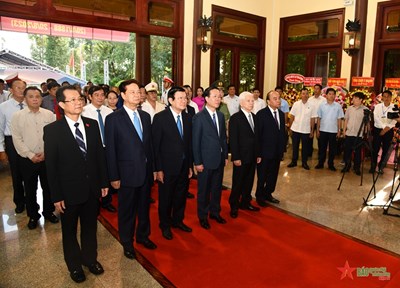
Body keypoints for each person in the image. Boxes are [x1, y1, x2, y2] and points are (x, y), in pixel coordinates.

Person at [44, 85, 109, 283]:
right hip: (68, 191)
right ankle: (74, 266)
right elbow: (51, 167)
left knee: (90, 228)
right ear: (62, 104)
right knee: (69, 231)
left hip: (91, 189)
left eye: (79, 98)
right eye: (72, 100)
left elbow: (99, 157)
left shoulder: (92, 124)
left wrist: (103, 182)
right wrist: (56, 196)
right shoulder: (53, 130)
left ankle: (90, 259)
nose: (78, 102)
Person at [105, 79, 157, 260]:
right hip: (126, 174)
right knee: (127, 211)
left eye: (139, 91)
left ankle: (143, 236)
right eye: (133, 92)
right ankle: (127, 242)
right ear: (123, 95)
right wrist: (113, 176)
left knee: (144, 208)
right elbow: (110, 150)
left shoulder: (145, 116)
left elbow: (149, 147)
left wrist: (154, 169)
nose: (138, 95)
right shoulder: (113, 119)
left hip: (145, 172)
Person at [10, 87, 58, 229]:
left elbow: (53, 137)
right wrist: (30, 155)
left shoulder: (49, 115)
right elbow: (17, 139)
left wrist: (46, 153)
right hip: (27, 159)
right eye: (31, 96)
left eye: (37, 96)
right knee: (30, 189)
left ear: (41, 98)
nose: (35, 99)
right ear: (25, 99)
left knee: (48, 187)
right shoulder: (17, 116)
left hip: (46, 157)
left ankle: (49, 212)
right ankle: (33, 216)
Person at [152, 86, 193, 240]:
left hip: (183, 166)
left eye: (185, 98)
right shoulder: (160, 118)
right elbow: (155, 147)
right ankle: (165, 225)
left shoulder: (188, 118)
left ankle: (178, 221)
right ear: (170, 100)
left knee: (181, 196)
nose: (184, 101)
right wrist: (158, 169)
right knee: (166, 198)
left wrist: (189, 165)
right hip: (167, 167)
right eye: (180, 98)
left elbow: (188, 145)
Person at [192, 86, 228, 229]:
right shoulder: (199, 117)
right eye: (215, 96)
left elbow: (223, 138)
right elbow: (195, 142)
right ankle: (203, 216)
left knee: (216, 188)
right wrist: (198, 162)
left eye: (219, 96)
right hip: (205, 161)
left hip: (219, 160)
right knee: (204, 190)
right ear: (206, 99)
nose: (218, 99)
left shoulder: (220, 116)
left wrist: (225, 155)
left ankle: (215, 212)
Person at [82, 85, 116, 213]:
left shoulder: (108, 112)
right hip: (92, 149)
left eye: (102, 95)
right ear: (89, 97)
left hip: (107, 148)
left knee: (106, 174)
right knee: (94, 175)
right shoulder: (84, 111)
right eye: (97, 95)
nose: (100, 97)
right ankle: (95, 202)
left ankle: (107, 201)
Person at [228, 91, 261, 218]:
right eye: (249, 101)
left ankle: (245, 202)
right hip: (241, 157)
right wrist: (235, 157)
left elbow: (257, 138)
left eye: (252, 100)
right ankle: (234, 205)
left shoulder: (255, 117)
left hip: (252, 156)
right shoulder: (235, 118)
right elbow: (233, 140)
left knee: (249, 181)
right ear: (241, 103)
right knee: (238, 183)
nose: (251, 103)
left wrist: (258, 154)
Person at [0, 79, 27, 213]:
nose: (22, 90)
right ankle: (19, 201)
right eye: (18, 88)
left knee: (30, 172)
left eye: (23, 87)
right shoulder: (4, 107)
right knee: (16, 174)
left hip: (29, 140)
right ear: (11, 90)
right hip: (12, 141)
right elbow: (0, 129)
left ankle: (30, 199)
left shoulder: (31, 104)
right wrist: (1, 150)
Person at [255, 90, 286, 207]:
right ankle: (259, 195)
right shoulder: (261, 114)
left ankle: (268, 193)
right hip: (264, 152)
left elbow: (282, 133)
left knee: (273, 175)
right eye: (275, 98)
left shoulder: (281, 114)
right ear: (268, 101)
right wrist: (258, 153)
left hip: (277, 152)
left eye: (279, 98)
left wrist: (282, 150)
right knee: (262, 175)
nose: (278, 100)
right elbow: (257, 135)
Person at [315, 88, 344, 171]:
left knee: (332, 149)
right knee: (322, 149)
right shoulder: (322, 105)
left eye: (333, 94)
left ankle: (331, 164)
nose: (331, 96)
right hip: (323, 130)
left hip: (333, 131)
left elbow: (339, 119)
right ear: (326, 95)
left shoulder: (338, 106)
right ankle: (320, 163)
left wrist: (339, 131)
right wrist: (317, 130)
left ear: (335, 95)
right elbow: (319, 118)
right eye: (330, 94)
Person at [370, 90, 398, 174]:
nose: (386, 98)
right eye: (384, 96)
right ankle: (373, 166)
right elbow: (376, 118)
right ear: (382, 97)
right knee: (375, 148)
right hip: (378, 130)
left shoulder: (394, 107)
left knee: (386, 149)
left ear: (391, 97)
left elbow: (395, 120)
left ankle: (381, 166)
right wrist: (383, 127)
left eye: (388, 96)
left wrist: (386, 128)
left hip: (388, 131)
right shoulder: (378, 106)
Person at [287, 88, 314, 170]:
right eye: (303, 93)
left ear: (308, 95)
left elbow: (312, 119)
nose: (305, 95)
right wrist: (290, 128)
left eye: (306, 93)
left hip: (306, 130)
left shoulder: (312, 105)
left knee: (305, 148)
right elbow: (292, 116)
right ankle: (294, 161)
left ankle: (304, 163)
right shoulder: (296, 104)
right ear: (300, 94)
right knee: (295, 147)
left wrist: (312, 130)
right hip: (295, 129)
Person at [342, 92, 368, 175]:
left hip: (359, 135)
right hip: (349, 133)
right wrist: (344, 131)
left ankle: (357, 168)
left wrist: (366, 133)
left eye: (356, 98)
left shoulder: (365, 110)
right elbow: (346, 120)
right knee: (347, 151)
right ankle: (347, 166)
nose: (353, 100)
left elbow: (367, 123)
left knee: (358, 152)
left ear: (361, 100)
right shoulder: (349, 108)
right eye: (353, 98)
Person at [308, 84, 326, 157]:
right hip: (311, 121)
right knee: (310, 138)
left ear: (320, 90)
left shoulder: (324, 100)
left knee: (320, 139)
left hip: (320, 122)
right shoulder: (310, 99)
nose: (316, 90)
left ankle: (320, 155)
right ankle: (309, 153)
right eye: (314, 88)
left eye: (317, 89)